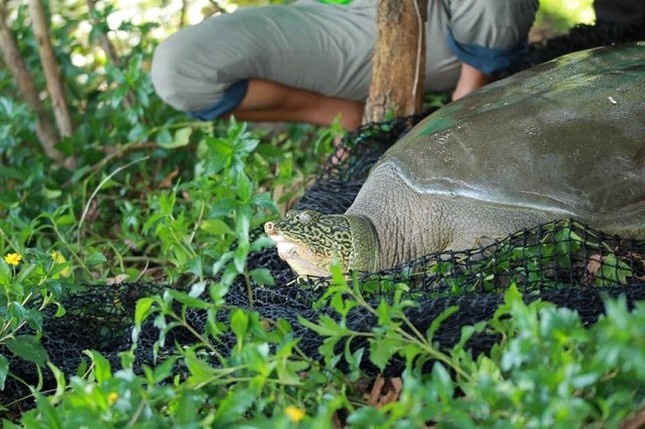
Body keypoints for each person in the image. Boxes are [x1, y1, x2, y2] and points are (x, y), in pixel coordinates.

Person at [151, 0, 539, 130]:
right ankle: (351, 120)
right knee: (178, 66)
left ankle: (468, 97)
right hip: (330, 21)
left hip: (441, 22)